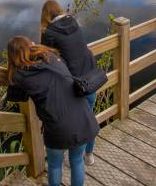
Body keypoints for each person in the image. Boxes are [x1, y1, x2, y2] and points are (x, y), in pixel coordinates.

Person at [5, 37, 98, 186]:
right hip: (82, 117)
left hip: (57, 126)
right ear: (32, 46)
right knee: (77, 161)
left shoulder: (19, 75)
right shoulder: (51, 56)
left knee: (55, 165)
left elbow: (18, 97)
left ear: (13, 57)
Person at [40, 0, 98, 165]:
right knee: (89, 118)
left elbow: (46, 58)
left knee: (71, 122)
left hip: (73, 83)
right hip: (90, 77)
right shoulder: (73, 21)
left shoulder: (49, 32)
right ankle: (89, 155)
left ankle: (74, 157)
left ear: (45, 16)